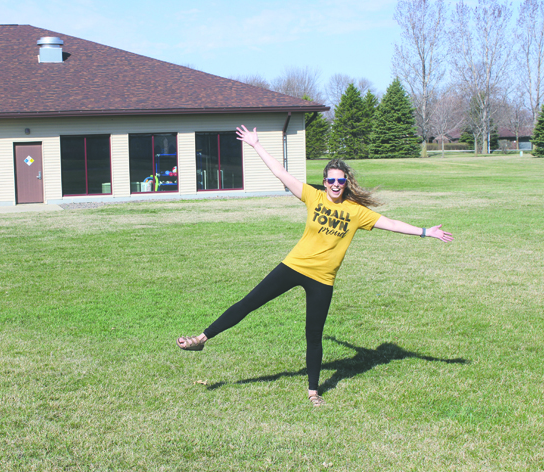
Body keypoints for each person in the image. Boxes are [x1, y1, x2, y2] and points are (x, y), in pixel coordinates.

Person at [176, 125, 454, 407]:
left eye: (340, 181)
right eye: (331, 180)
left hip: (322, 278)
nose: (335, 185)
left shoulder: (357, 212)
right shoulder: (313, 196)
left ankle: (313, 392)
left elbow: (391, 224)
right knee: (248, 303)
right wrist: (256, 144)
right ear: (324, 181)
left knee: (314, 334)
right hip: (293, 266)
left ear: (347, 183)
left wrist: (424, 231)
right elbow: (280, 174)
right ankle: (201, 338)